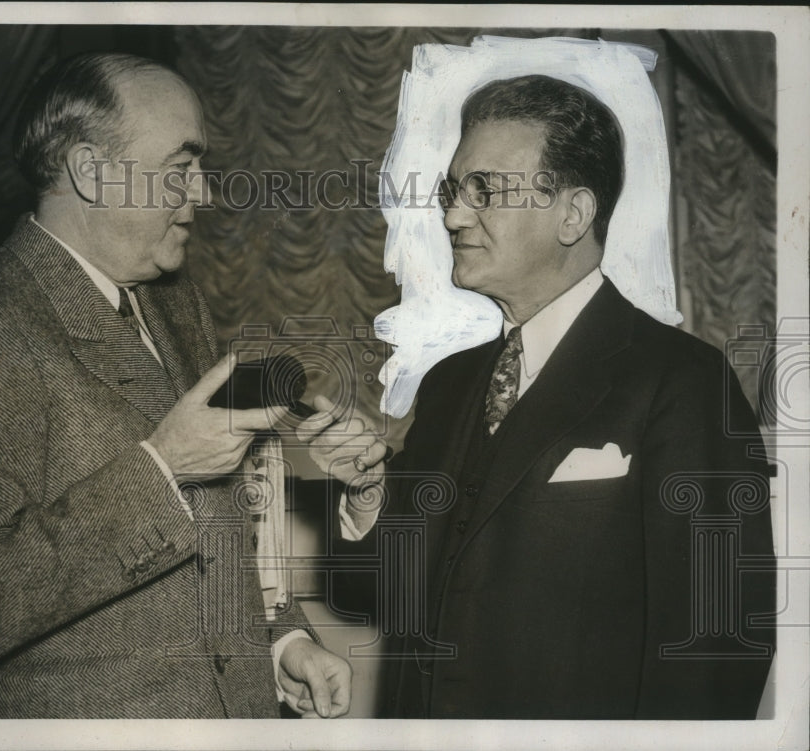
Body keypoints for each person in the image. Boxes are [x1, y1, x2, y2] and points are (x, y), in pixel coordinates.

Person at [0, 52, 350, 719]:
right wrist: (162, 469)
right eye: (179, 169)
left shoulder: (176, 304)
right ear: (90, 171)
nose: (204, 194)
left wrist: (283, 645)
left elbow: (215, 542)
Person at [300, 74, 775, 719]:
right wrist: (367, 501)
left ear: (573, 215)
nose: (452, 215)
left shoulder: (683, 383)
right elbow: (382, 595)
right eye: (453, 191)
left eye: (484, 192)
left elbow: (717, 650)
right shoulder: (448, 385)